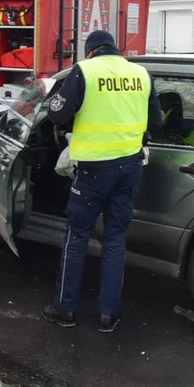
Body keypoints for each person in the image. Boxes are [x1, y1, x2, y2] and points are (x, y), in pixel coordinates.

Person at [42, 30, 161, 332]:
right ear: (114, 49)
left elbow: (56, 115)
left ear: (91, 51)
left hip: (93, 172)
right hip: (129, 168)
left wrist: (51, 94)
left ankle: (64, 309)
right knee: (115, 240)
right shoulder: (141, 74)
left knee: (77, 238)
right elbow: (156, 122)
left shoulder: (86, 71)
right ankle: (109, 315)